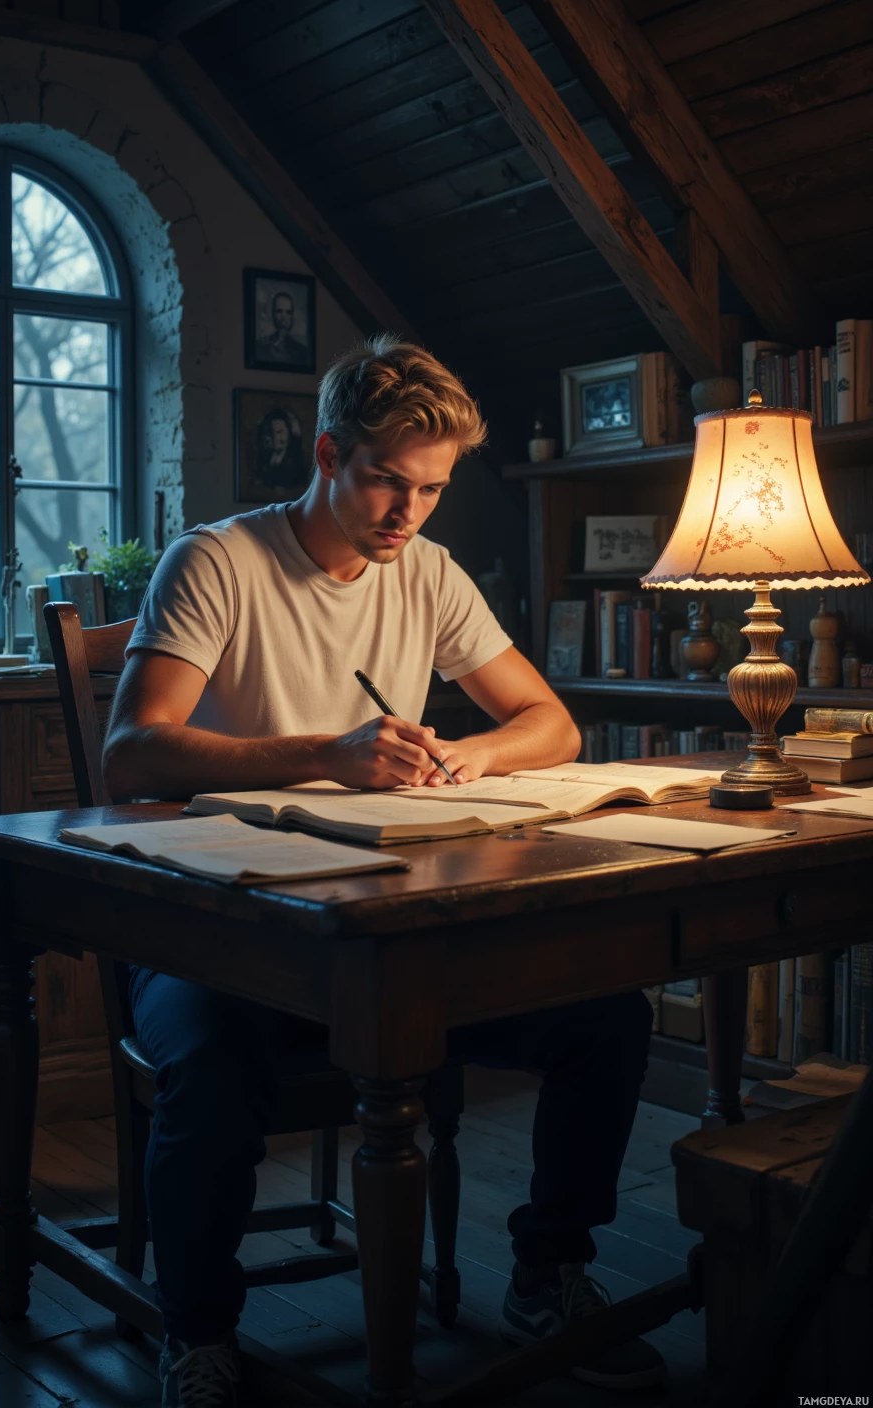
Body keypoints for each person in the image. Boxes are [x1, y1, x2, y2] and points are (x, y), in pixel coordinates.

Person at [103, 337, 665, 1407]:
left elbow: (550, 723)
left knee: (608, 1018)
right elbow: (133, 751)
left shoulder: (428, 574)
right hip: (224, 927)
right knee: (213, 1065)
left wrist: (470, 754)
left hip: (382, 938)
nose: (409, 514)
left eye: (433, 491)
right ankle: (200, 1332)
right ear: (326, 452)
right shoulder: (219, 561)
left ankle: (548, 1274)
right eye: (386, 482)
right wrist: (324, 753)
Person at [254, 289, 310, 367]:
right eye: (279, 311)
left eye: (288, 312)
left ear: (292, 316)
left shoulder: (302, 351)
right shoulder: (260, 347)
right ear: (273, 314)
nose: (284, 316)